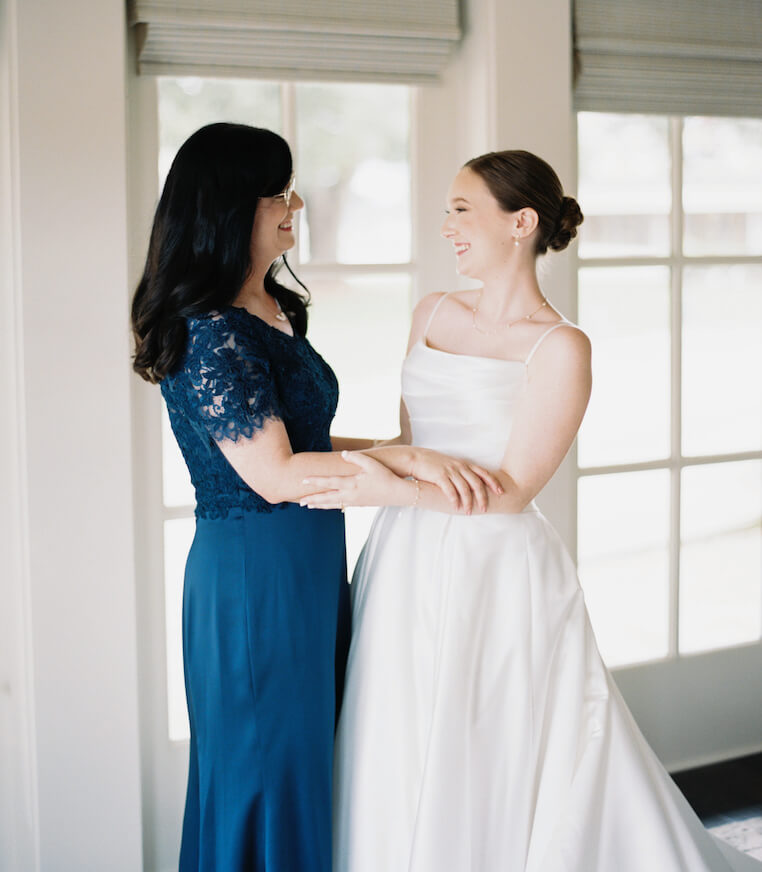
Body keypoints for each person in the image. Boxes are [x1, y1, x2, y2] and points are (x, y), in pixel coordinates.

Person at [299, 149, 761, 871]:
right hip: (404, 555)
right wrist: (308, 452)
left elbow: (512, 488)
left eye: (462, 209)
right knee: (395, 724)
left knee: (488, 737)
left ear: (521, 223)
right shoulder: (431, 313)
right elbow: (412, 442)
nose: (447, 226)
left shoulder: (560, 346)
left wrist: (380, 488)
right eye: (446, 210)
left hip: (495, 564)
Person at [130, 123, 500, 872]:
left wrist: (411, 457)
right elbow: (276, 477)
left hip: (303, 569)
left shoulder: (271, 308)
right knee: (266, 777)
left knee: (305, 769)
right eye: (279, 191)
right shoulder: (210, 334)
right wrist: (417, 475)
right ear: (235, 207)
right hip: (252, 581)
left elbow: (310, 447)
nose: (295, 202)